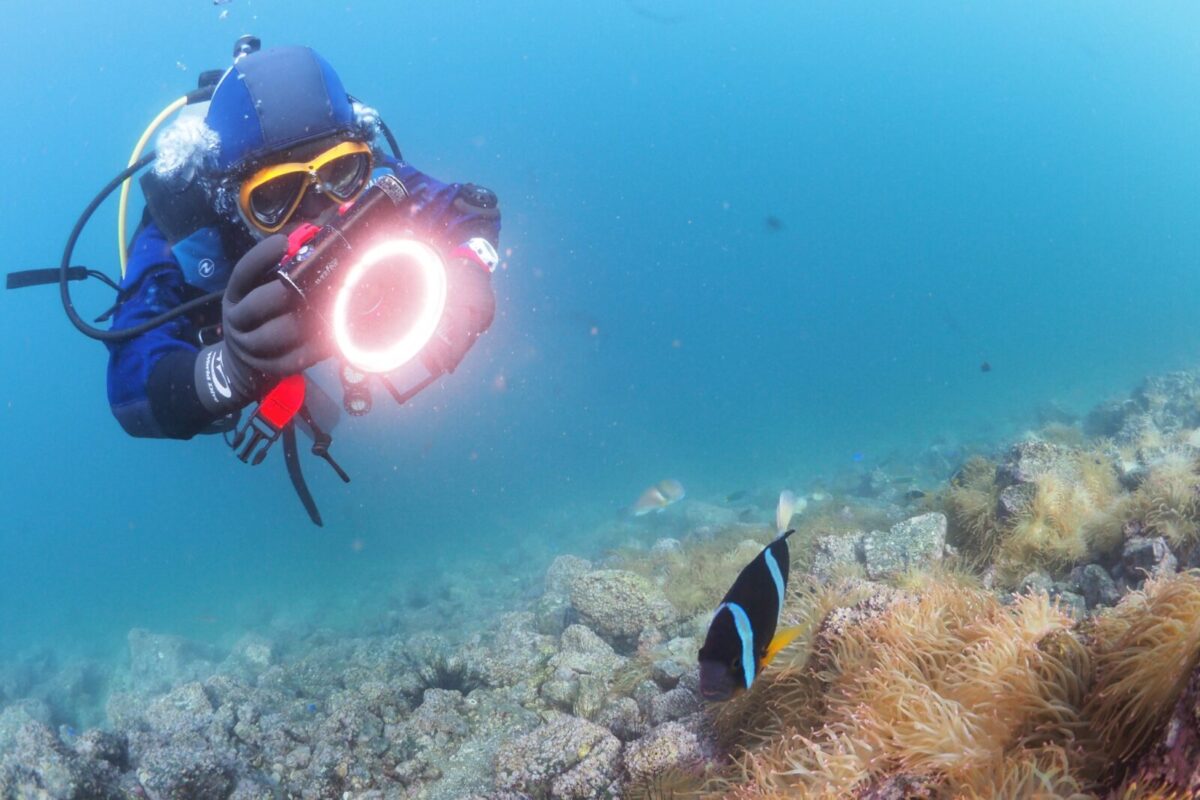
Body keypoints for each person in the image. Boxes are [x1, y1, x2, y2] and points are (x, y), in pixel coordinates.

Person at [107, 43, 499, 439]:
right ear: (230, 198)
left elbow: (469, 211)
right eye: (275, 195)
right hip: (242, 339)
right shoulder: (184, 228)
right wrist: (230, 371)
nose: (318, 210)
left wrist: (471, 268)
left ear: (358, 156)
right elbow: (130, 389)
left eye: (340, 173)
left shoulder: (373, 179)